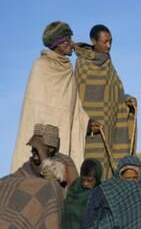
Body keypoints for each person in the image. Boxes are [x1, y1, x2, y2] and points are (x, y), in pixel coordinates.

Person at [11, 21, 93, 174]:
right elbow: (36, 109)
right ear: (57, 43)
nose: (71, 43)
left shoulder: (68, 69)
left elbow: (74, 107)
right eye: (67, 40)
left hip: (65, 134)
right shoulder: (41, 66)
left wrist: (87, 121)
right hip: (43, 138)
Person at [74, 24, 137, 179]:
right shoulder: (82, 65)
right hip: (91, 130)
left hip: (109, 126)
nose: (109, 46)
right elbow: (77, 98)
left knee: (109, 170)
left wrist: (126, 99)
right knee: (91, 170)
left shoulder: (109, 64)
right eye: (105, 42)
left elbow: (115, 92)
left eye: (111, 41)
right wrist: (86, 123)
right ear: (93, 41)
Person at [61, 158, 103, 229]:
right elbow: (69, 208)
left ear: (98, 178)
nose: (85, 184)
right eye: (83, 180)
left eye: (89, 181)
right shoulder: (75, 186)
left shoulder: (101, 191)